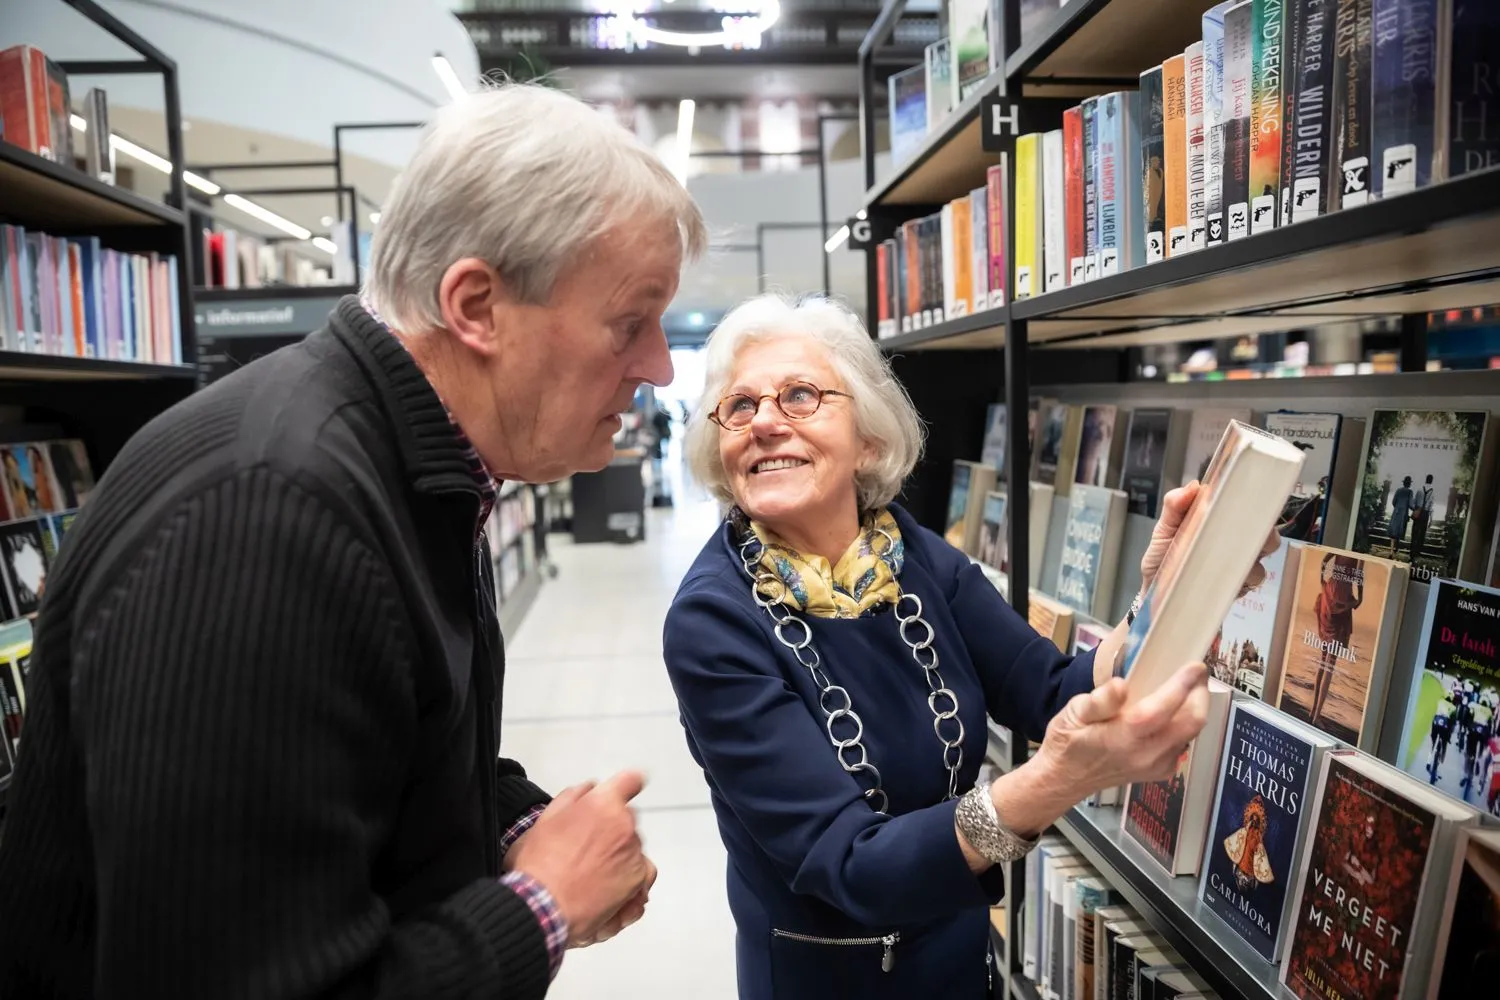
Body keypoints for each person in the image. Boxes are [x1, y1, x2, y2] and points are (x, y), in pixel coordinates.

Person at [0, 83, 707, 999]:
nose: (655, 366)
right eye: (628, 323)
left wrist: (512, 826)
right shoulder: (268, 521)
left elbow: (384, 749)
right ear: (478, 307)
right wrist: (540, 904)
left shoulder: (411, 466)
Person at [665, 294, 1277, 999]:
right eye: (739, 408)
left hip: (960, 963)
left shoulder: (910, 552)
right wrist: (1055, 781)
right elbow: (852, 868)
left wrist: (1170, 595)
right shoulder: (712, 622)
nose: (766, 422)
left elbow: (1054, 693)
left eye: (800, 395)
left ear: (867, 437)